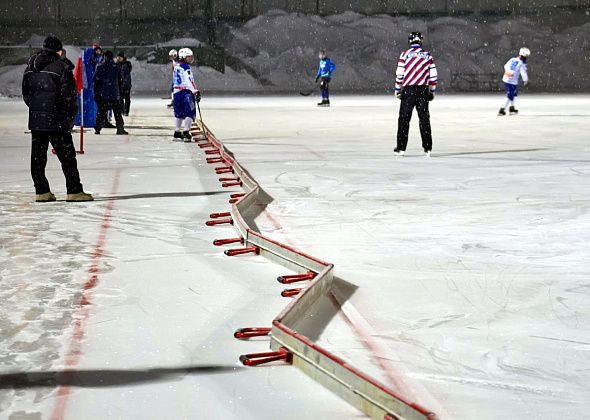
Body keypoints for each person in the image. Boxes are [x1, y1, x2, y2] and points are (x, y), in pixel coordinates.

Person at [22, 35, 93, 202]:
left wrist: (37, 108)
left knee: (38, 158)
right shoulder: (62, 68)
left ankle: (41, 191)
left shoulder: (31, 67)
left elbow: (26, 93)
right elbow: (69, 97)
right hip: (57, 120)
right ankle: (74, 190)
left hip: (37, 120)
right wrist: (68, 117)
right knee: (67, 157)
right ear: (59, 51)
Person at [394, 32, 437, 157]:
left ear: (410, 41)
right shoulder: (427, 56)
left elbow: (400, 74)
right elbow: (433, 75)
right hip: (423, 90)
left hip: (408, 90)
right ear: (421, 41)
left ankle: (401, 148)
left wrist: (397, 89)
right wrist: (432, 91)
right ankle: (427, 148)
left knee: (404, 119)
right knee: (424, 119)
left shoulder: (405, 55)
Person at [94, 50, 128, 135]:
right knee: (117, 113)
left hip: (103, 94)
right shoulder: (116, 66)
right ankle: (120, 129)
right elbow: (121, 80)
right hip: (114, 94)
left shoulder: (100, 67)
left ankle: (97, 128)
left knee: (101, 112)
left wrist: (97, 93)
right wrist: (120, 93)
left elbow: (95, 81)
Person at [172, 47, 200, 141]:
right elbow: (189, 81)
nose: (190, 59)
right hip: (185, 92)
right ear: (183, 57)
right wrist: (195, 91)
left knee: (179, 113)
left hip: (176, 92)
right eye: (188, 57)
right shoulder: (186, 67)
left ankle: (177, 131)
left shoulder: (177, 66)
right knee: (190, 112)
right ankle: (186, 131)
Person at [499, 48, 530, 116]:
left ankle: (512, 108)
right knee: (510, 95)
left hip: (507, 79)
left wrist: (508, 72)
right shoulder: (521, 63)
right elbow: (523, 72)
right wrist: (525, 80)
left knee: (514, 94)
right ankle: (502, 110)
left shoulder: (512, 59)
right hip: (511, 81)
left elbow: (505, 66)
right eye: (526, 56)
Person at [117, 51, 132, 116]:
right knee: (120, 98)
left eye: (120, 57)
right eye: (118, 57)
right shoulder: (117, 64)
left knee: (127, 98)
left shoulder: (127, 64)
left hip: (126, 84)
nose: (118, 58)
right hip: (119, 84)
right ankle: (122, 110)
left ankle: (126, 111)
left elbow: (127, 70)